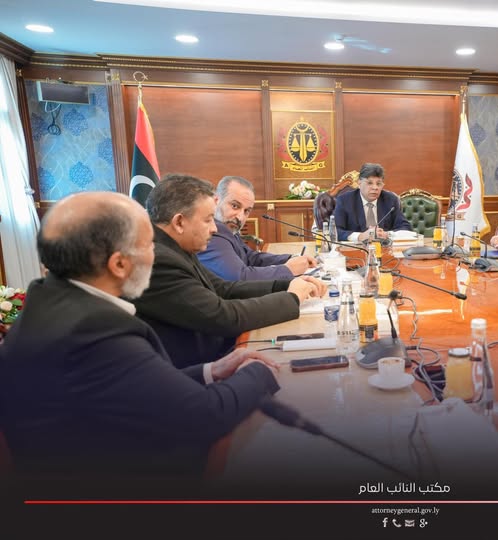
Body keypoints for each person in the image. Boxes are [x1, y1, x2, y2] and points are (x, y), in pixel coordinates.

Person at [0, 192, 281, 483]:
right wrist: (260, 371)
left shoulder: (49, 300)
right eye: (148, 245)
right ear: (119, 264)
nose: (155, 255)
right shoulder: (94, 330)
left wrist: (211, 371)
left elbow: (132, 385)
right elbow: (204, 417)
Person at [133, 174, 326, 368]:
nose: (215, 229)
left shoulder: (177, 247)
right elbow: (222, 316)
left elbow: (224, 289)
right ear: (179, 222)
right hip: (197, 368)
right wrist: (292, 298)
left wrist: (286, 284)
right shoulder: (158, 260)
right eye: (208, 220)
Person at [198, 175, 317, 280]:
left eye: (246, 211)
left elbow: (251, 257)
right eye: (235, 206)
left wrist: (290, 258)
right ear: (216, 200)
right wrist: (288, 270)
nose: (240, 217)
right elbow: (240, 277)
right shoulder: (212, 232)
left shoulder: (227, 227)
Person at [332, 162, 411, 242]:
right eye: (369, 183)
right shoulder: (345, 200)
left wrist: (387, 234)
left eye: (378, 184)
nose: (375, 187)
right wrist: (360, 236)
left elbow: (405, 228)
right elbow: (336, 231)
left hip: (384, 247)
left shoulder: (390, 200)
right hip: (356, 248)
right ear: (359, 183)